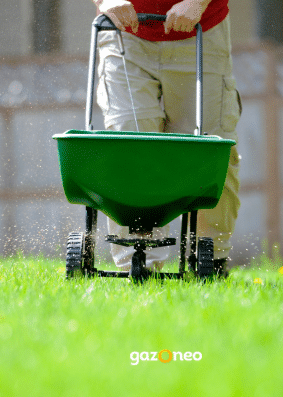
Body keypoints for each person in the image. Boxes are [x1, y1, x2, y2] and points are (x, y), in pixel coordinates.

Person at [92, 0, 241, 276]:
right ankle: (137, 261)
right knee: (130, 141)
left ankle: (210, 257)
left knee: (211, 148)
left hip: (201, 30)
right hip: (126, 34)